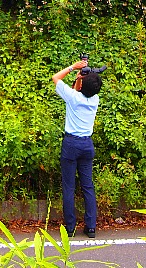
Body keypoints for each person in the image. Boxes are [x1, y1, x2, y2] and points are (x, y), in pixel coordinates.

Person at [51, 58, 103, 238]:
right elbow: (80, 91)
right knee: (88, 186)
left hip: (71, 144)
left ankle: (70, 227)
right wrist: (81, 78)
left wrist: (74, 68)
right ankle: (90, 227)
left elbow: (56, 77)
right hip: (87, 145)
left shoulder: (73, 98)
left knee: (69, 187)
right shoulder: (95, 100)